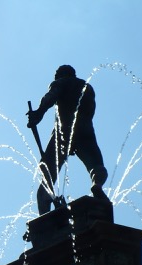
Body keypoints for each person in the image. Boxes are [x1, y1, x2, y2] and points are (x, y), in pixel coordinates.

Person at [27, 65, 109, 215]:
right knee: (97, 166)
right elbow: (91, 110)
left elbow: (50, 97)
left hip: (63, 132)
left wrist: (38, 114)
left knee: (46, 177)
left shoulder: (61, 82)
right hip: (86, 130)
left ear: (60, 75)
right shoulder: (87, 87)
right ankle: (97, 185)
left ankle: (45, 219)